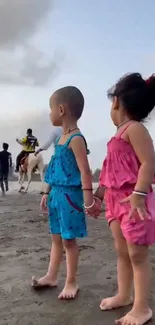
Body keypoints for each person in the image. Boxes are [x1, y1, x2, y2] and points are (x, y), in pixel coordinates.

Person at [90, 73, 155, 325]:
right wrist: (99, 196)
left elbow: (149, 163)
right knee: (121, 251)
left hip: (134, 203)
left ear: (116, 102)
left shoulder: (135, 129)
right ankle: (124, 294)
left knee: (137, 254)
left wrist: (139, 194)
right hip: (115, 203)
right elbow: (109, 173)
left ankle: (142, 308)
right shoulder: (116, 136)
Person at [31, 86, 100, 299]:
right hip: (56, 195)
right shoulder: (61, 138)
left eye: (50, 108)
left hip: (70, 197)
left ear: (61, 109)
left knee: (69, 241)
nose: (50, 113)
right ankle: (52, 276)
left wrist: (88, 201)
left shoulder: (76, 139)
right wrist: (46, 192)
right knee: (56, 237)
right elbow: (54, 169)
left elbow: (85, 170)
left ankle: (71, 282)